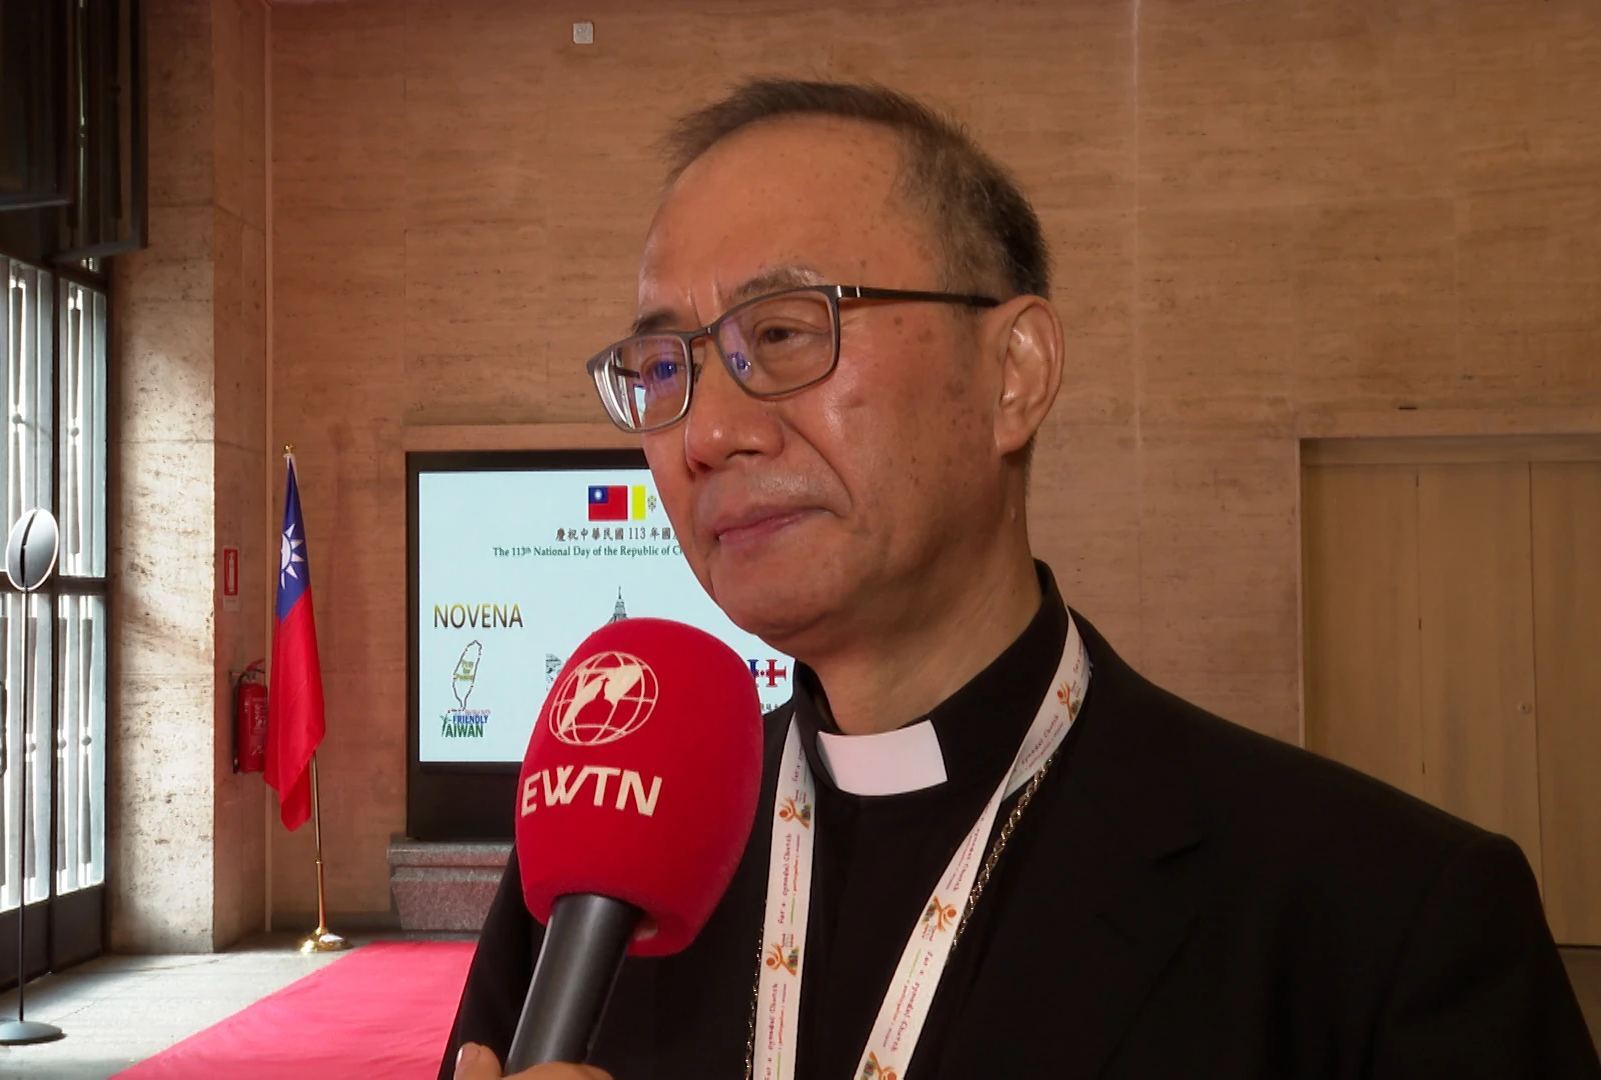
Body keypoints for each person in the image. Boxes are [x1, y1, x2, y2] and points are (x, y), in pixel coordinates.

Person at [441, 80, 1600, 1080]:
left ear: (1016, 372)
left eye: (785, 334)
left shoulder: (1379, 920)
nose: (706, 434)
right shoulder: (584, 896)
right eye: (663, 367)